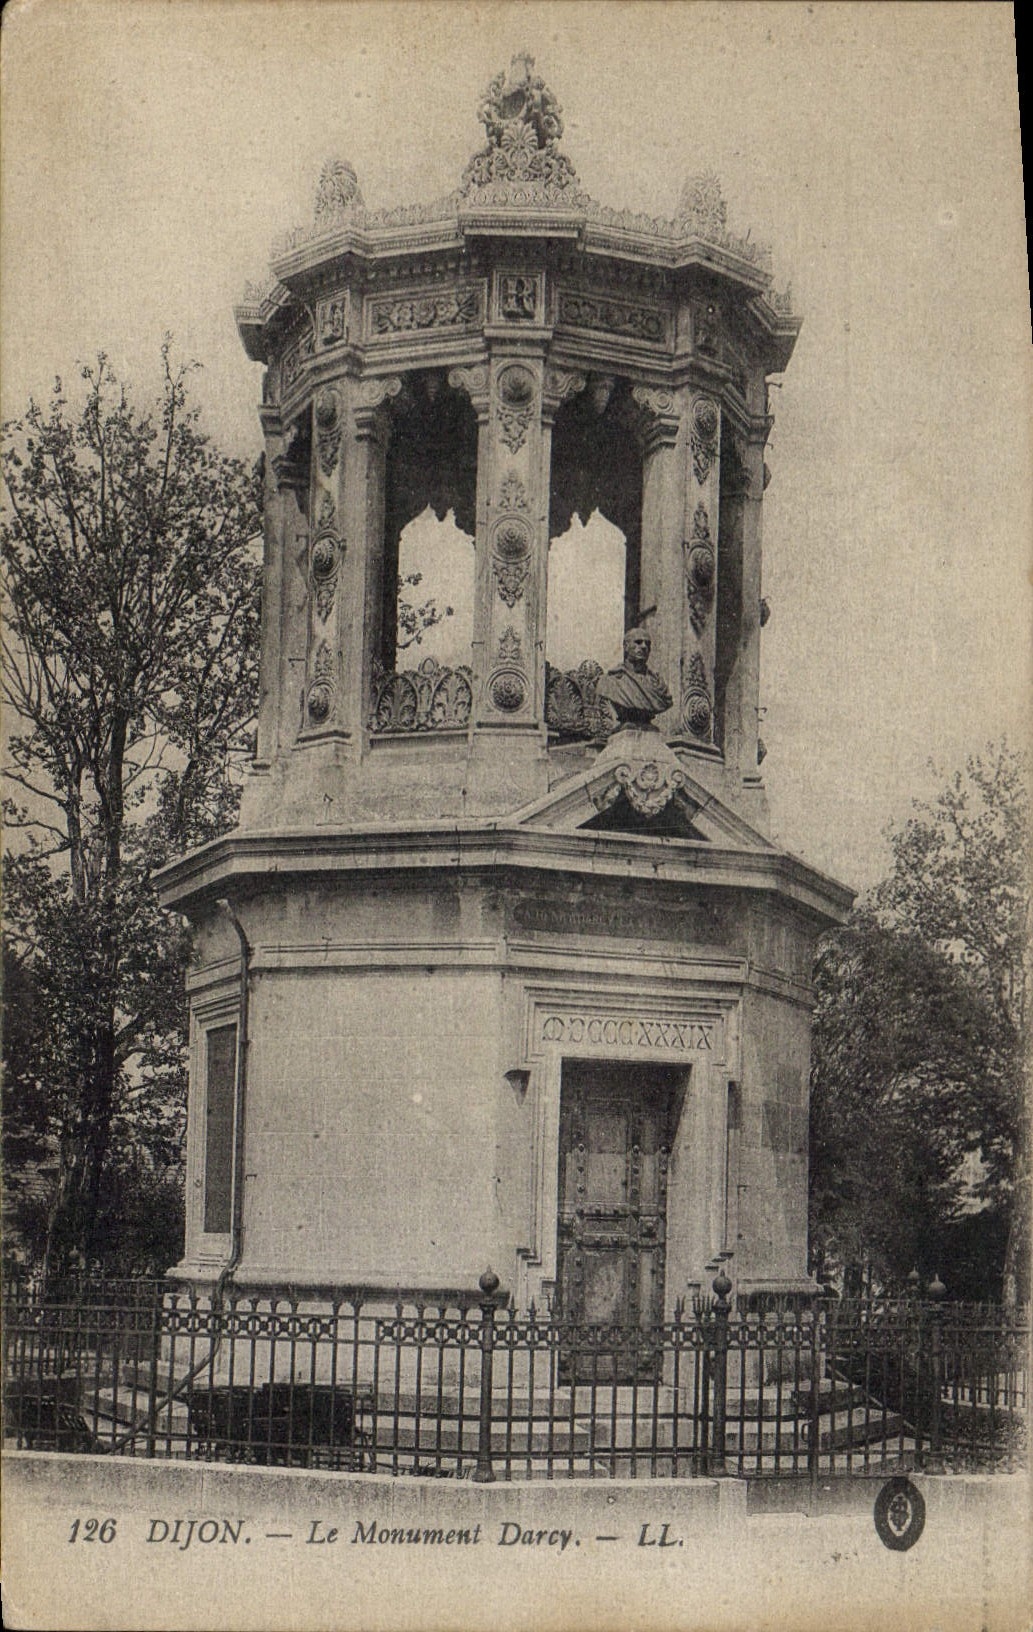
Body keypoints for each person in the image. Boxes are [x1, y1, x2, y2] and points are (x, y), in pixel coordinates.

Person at [596, 626, 672, 727]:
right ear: (626, 646)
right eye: (638, 642)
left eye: (647, 644)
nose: (644, 646)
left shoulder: (658, 685)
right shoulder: (610, 681)